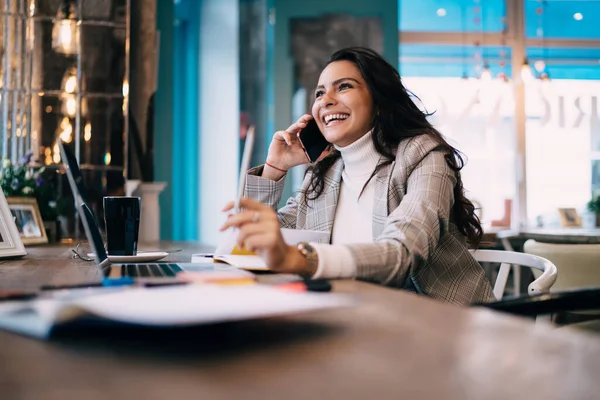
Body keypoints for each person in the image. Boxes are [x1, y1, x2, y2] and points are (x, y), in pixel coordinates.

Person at [221, 47, 495, 305]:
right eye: (319, 93)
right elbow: (255, 244)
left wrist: (302, 259)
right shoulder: (325, 174)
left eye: (344, 87)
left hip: (444, 324)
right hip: (354, 318)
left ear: (379, 101)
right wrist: (275, 168)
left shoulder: (424, 155)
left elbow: (403, 252)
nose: (326, 100)